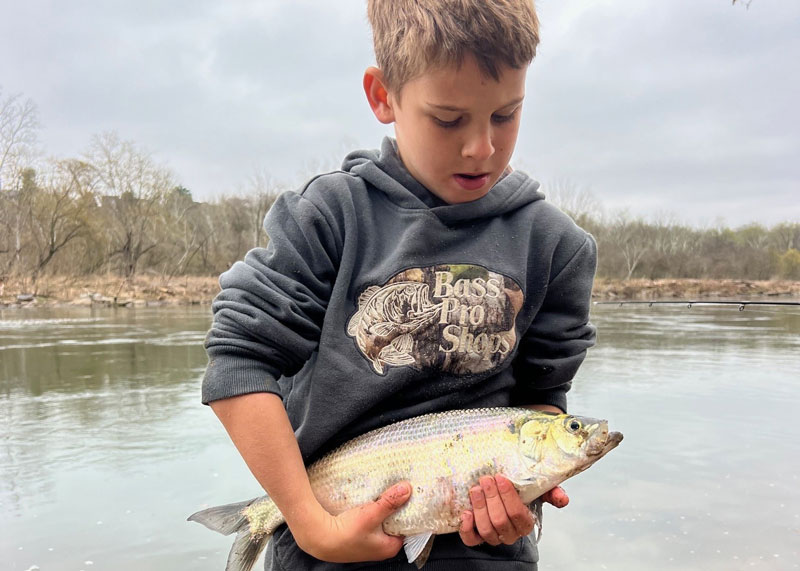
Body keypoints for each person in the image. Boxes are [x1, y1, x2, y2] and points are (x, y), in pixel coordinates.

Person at [201, 0, 597, 569]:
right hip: (320, 552)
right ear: (383, 96)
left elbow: (542, 401)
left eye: (506, 115)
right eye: (448, 118)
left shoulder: (557, 247)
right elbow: (237, 363)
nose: (480, 147)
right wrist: (310, 525)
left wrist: (525, 497)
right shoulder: (329, 216)